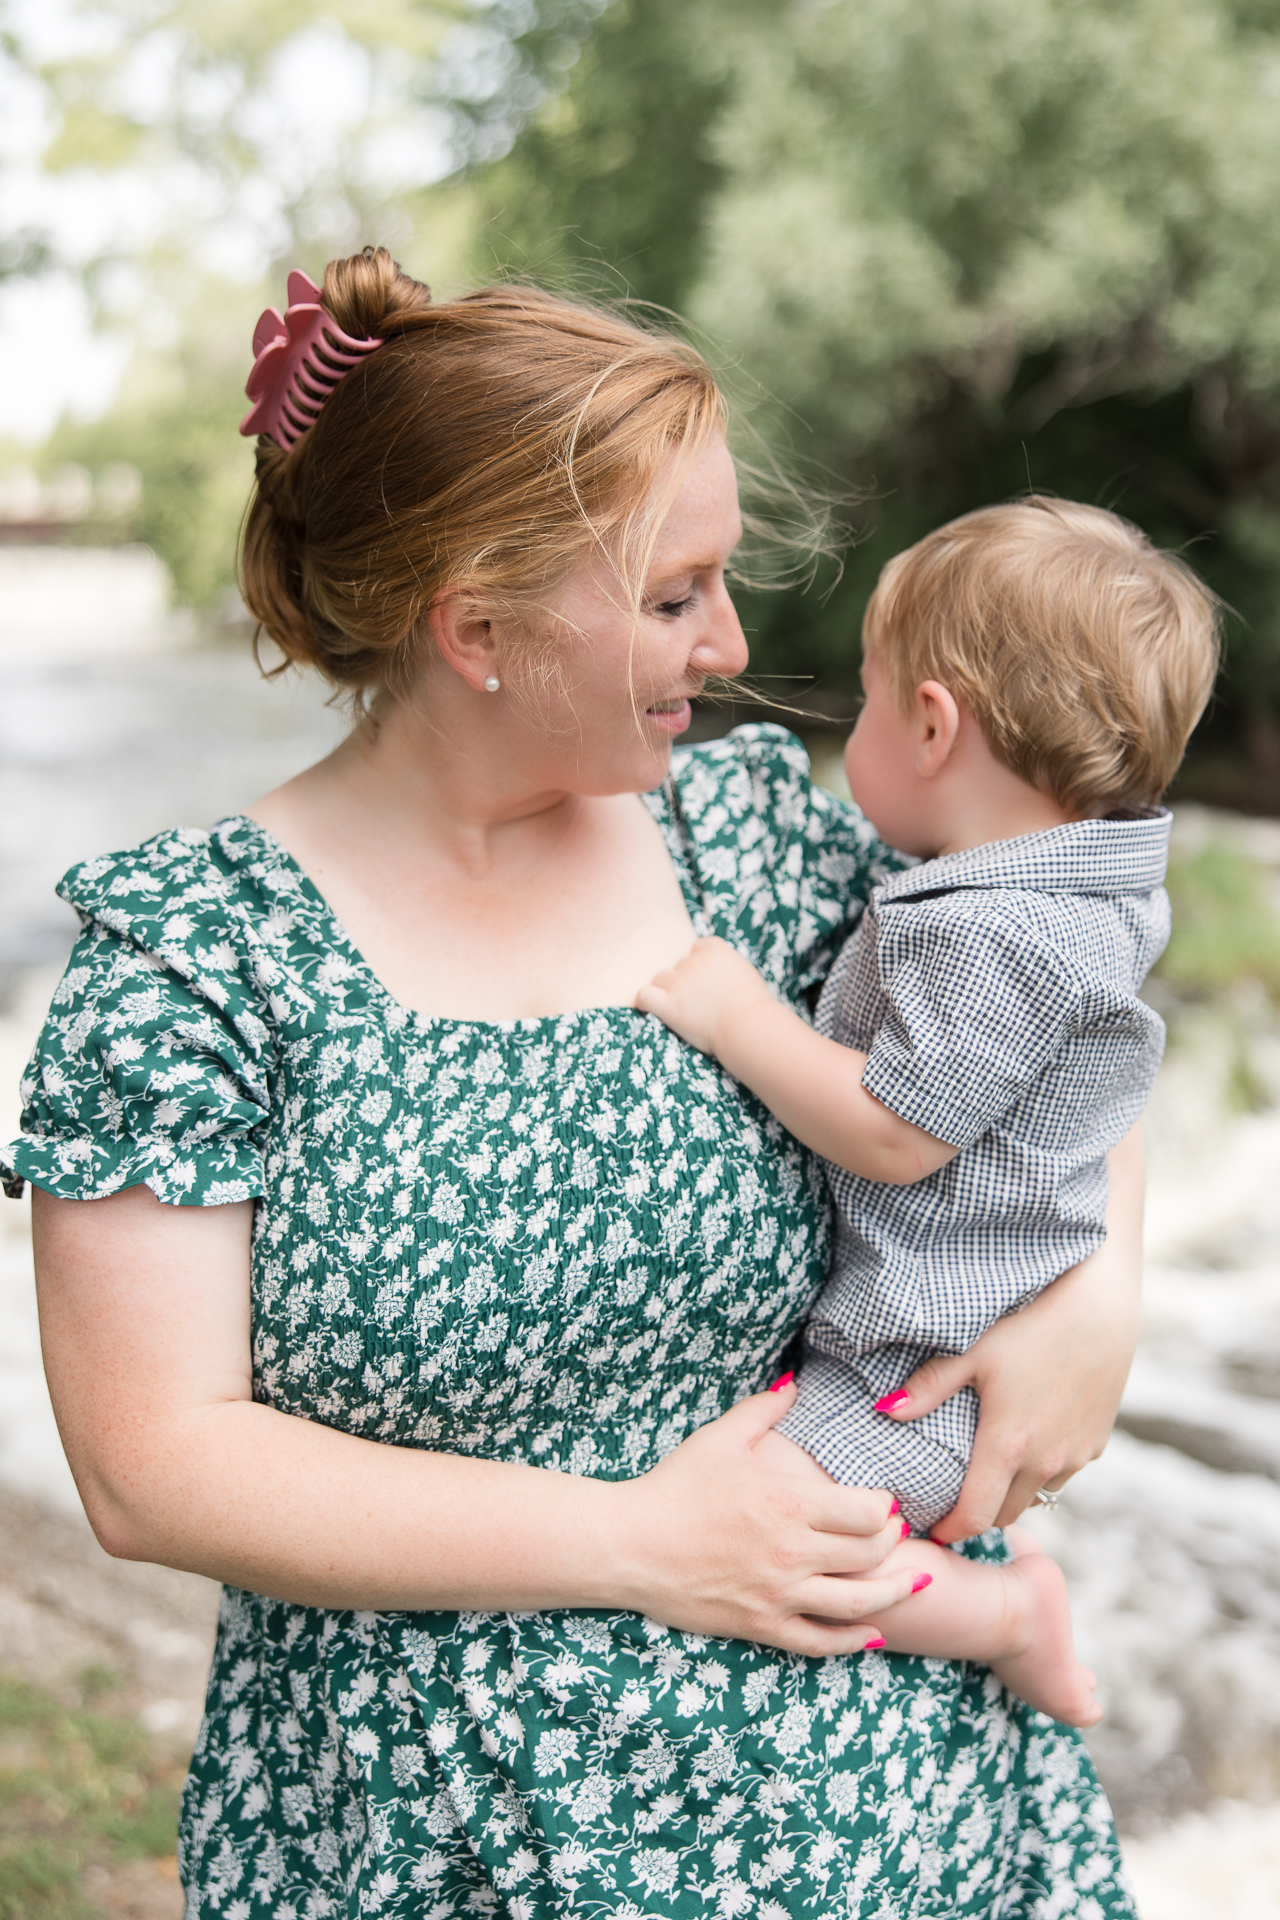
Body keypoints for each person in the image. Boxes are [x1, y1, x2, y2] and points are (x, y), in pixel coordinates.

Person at [3, 248, 1147, 1917]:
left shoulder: (757, 841)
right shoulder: (194, 967)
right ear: (477, 625)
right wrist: (639, 1541)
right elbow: (148, 1467)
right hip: (443, 1840)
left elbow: (1053, 1043)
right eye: (679, 595)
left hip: (901, 1815)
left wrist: (1099, 1291)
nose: (735, 640)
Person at [640, 498, 1220, 1729]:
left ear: (931, 723)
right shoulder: (1074, 887)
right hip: (962, 1323)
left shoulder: (991, 931)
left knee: (788, 1529)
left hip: (934, 1367)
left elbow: (898, 1134)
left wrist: (739, 1017)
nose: (848, 726)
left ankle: (1011, 1618)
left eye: (862, 699)